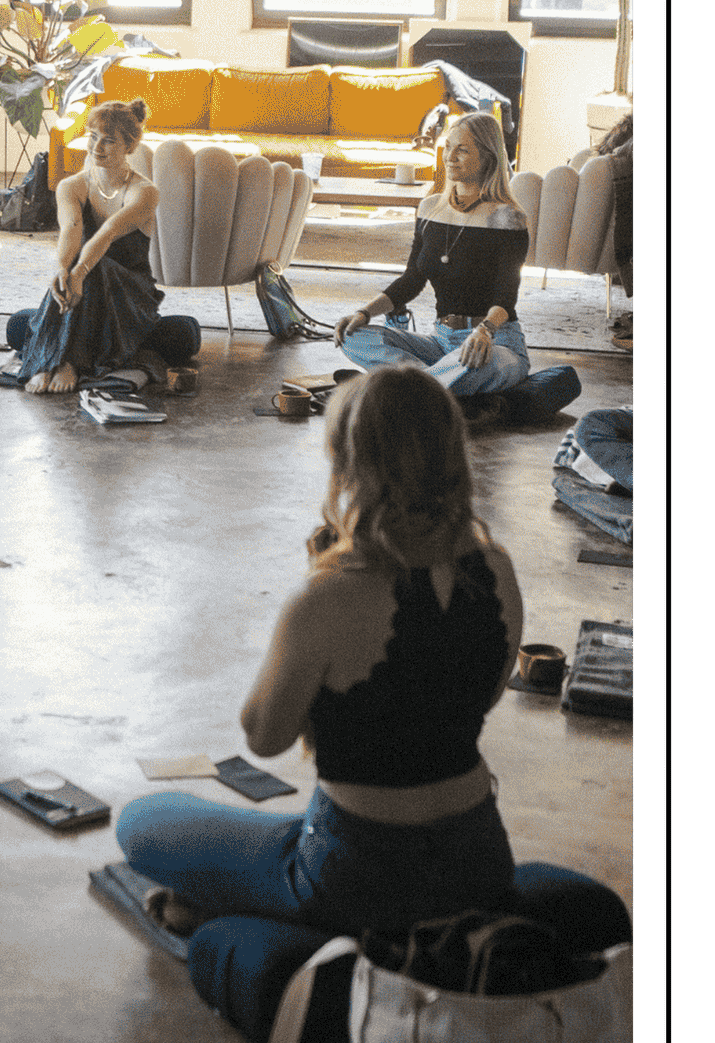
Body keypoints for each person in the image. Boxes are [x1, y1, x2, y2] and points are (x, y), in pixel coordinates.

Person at [115, 365, 630, 1010]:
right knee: (579, 904)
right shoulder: (495, 569)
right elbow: (482, 699)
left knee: (143, 822)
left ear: (349, 464)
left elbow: (264, 736)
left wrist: (298, 635)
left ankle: (300, 948)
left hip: (351, 872)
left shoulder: (330, 593)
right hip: (478, 860)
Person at [3, 99, 197, 395]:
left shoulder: (145, 192)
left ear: (129, 147)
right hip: (83, 295)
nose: (97, 147)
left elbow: (106, 234)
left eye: (109, 141)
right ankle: (68, 353)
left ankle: (66, 361)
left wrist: (79, 271)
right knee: (17, 324)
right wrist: (63, 271)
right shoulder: (72, 186)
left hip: (129, 295)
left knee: (97, 266)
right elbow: (71, 229)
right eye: (93, 137)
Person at [333, 111, 531, 401]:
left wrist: (485, 331)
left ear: (488, 157)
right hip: (441, 342)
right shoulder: (429, 210)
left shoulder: (507, 219)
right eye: (448, 147)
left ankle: (398, 384)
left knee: (480, 365)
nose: (450, 156)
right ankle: (433, 385)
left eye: (462, 149)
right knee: (352, 337)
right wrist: (363, 313)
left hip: (494, 343)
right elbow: (412, 280)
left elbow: (506, 297)